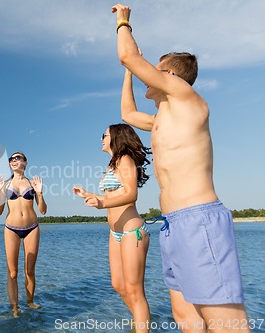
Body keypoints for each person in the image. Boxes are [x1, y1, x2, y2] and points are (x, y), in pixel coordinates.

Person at [111, 4, 250, 332]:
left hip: (200, 219)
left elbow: (128, 56)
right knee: (186, 317)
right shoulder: (161, 119)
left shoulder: (188, 99)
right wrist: (131, 73)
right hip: (172, 225)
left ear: (170, 76)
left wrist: (122, 20)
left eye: (155, 70)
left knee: (227, 325)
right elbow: (128, 114)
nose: (151, 74)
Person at [73, 124, 151, 332]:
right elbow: (111, 197)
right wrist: (89, 194)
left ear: (116, 136)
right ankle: (140, 323)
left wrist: (102, 204)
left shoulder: (125, 159)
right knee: (118, 285)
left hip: (131, 231)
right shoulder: (113, 163)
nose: (101, 139)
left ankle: (141, 326)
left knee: (135, 291)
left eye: (104, 135)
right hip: (115, 232)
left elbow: (131, 194)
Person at [0, 152, 47, 317]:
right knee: (13, 272)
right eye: (12, 159)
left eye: (18, 158)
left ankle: (30, 302)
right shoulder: (5, 185)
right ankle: (15, 307)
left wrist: (39, 193)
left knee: (30, 270)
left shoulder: (33, 183)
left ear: (25, 162)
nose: (14, 160)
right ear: (10, 164)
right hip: (11, 228)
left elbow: (43, 211)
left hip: (32, 227)